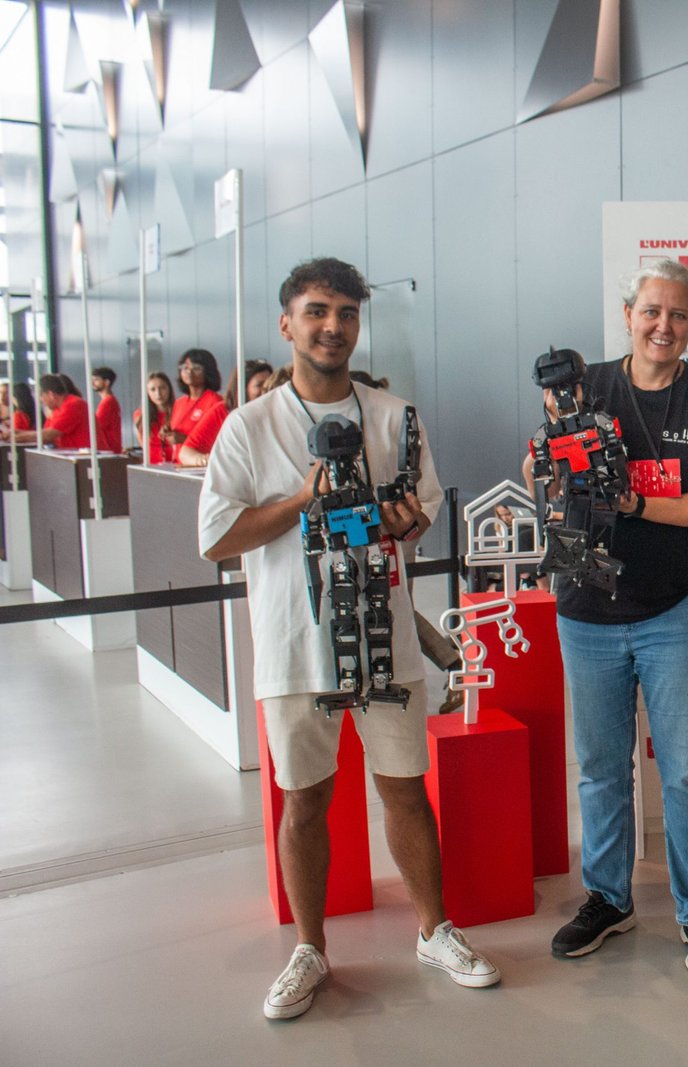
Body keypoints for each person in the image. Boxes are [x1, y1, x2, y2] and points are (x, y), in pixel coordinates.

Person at [197, 257, 498, 1021]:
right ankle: (310, 948)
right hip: (293, 642)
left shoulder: (396, 416)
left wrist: (401, 520)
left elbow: (420, 511)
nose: (333, 326)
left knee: (405, 789)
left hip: (386, 634)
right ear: (287, 323)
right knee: (305, 799)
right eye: (317, 311)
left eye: (347, 314)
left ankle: (435, 930)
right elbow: (217, 538)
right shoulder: (248, 425)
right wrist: (307, 499)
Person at [535, 259, 688, 977]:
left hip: (680, 605)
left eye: (680, 315)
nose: (665, 326)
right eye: (652, 311)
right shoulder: (582, 386)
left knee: (687, 768)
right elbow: (544, 469)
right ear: (628, 313)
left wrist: (633, 504)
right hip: (587, 610)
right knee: (600, 767)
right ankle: (607, 896)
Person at [179, 359, 273, 467]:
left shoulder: (276, 412)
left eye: (269, 383)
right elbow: (185, 453)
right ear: (242, 388)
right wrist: (205, 460)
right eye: (259, 385)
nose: (266, 389)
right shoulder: (222, 411)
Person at [2, 374, 92, 450]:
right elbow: (45, 435)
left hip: (87, 459)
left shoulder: (73, 405)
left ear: (50, 394)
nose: (41, 400)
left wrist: (16, 437)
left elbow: (48, 435)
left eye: (41, 396)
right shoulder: (57, 410)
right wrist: (18, 433)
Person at [168, 348, 225, 451]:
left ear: (208, 372)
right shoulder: (179, 402)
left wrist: (185, 439)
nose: (189, 372)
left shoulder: (214, 401)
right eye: (185, 367)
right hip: (178, 462)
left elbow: (218, 441)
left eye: (196, 368)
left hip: (199, 463)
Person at [134, 372, 177, 463]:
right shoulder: (140, 416)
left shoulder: (179, 412)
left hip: (175, 465)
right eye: (153, 389)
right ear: (147, 393)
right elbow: (143, 444)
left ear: (169, 389)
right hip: (151, 466)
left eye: (162, 388)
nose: (158, 394)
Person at [89, 366, 124, 453]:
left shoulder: (107, 403)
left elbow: (96, 426)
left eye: (96, 380)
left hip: (108, 451)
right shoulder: (110, 401)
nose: (93, 383)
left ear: (106, 382)